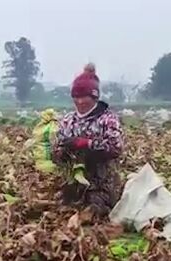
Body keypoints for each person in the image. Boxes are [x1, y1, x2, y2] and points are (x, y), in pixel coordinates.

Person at [52, 63, 124, 218]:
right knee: (60, 210)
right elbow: (55, 154)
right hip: (73, 184)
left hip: (102, 184)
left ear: (94, 96)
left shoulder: (107, 119)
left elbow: (116, 148)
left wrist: (86, 144)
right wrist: (62, 153)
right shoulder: (68, 121)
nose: (79, 101)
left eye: (84, 97)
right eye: (76, 97)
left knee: (94, 211)